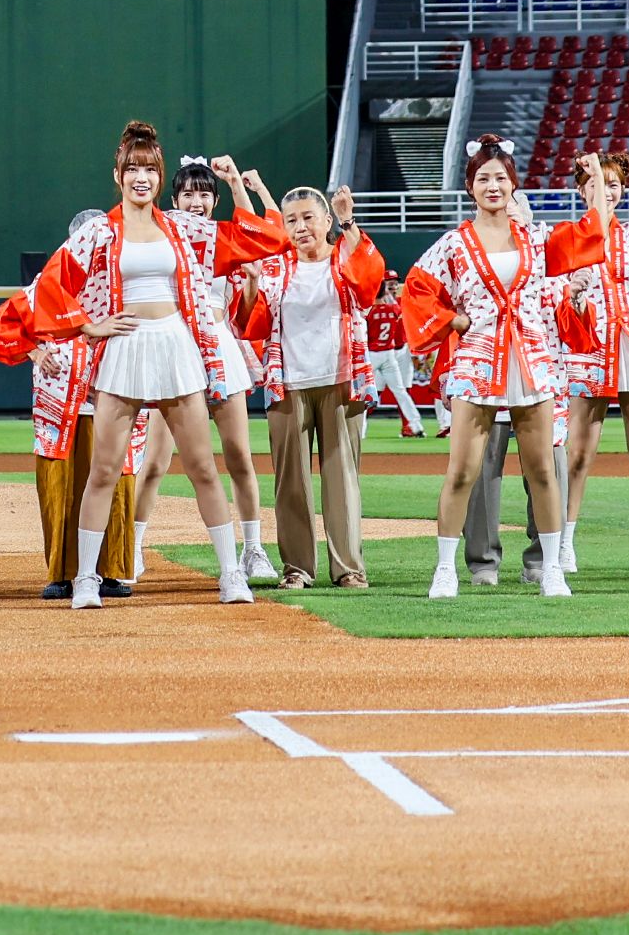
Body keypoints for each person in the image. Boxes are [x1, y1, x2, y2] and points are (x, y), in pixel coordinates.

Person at [28, 120, 292, 610]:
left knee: (202, 469)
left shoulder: (185, 227)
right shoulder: (99, 232)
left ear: (158, 174)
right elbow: (50, 283)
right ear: (117, 175)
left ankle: (232, 574)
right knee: (104, 471)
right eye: (132, 168)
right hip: (125, 348)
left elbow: (259, 240)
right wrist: (89, 326)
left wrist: (240, 188)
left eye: (149, 168)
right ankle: (87, 578)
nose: (141, 177)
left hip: (174, 344)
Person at [402, 132, 593, 600]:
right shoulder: (453, 243)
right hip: (477, 362)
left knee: (543, 471)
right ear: (470, 187)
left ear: (514, 185)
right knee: (463, 471)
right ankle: (445, 569)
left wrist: (590, 184)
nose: (493, 186)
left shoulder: (537, 236)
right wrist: (455, 319)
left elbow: (590, 240)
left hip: (531, 362)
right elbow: (416, 288)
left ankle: (552, 570)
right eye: (484, 178)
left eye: (501, 178)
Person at [231, 176, 388, 590]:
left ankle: (349, 569)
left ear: (325, 220)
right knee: (291, 483)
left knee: (342, 480)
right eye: (291, 220)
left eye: (308, 218)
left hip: (342, 383)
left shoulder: (343, 258)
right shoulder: (273, 269)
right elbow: (251, 323)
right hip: (287, 384)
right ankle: (297, 568)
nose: (300, 227)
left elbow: (368, 283)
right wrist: (249, 284)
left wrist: (348, 221)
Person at [133, 157, 279, 582]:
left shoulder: (223, 243)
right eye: (188, 194)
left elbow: (245, 313)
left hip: (220, 347)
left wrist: (251, 281)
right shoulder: (160, 236)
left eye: (203, 194)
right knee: (156, 460)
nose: (195, 202)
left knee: (238, 456)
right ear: (173, 198)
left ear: (213, 201)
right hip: (176, 349)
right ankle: (134, 548)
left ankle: (253, 550)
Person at [0, 215, 139, 600]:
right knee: (60, 488)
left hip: (113, 399)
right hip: (59, 405)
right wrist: (34, 351)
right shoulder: (43, 289)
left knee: (116, 485)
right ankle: (62, 572)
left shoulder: (126, 286)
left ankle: (112, 571)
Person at [541, 150, 629, 576]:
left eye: (613, 183)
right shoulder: (566, 237)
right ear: (581, 191)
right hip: (589, 351)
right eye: (595, 183)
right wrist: (575, 296)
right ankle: (564, 544)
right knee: (578, 455)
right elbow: (555, 299)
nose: (605, 190)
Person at [361, 276, 427, 436]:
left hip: (372, 355)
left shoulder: (368, 312)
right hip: (389, 355)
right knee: (400, 391)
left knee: (363, 394)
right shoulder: (393, 309)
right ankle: (416, 425)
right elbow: (395, 307)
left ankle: (360, 431)